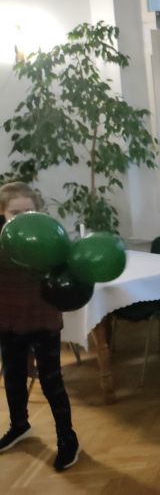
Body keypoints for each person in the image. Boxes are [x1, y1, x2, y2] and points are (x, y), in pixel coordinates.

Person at [0, 181, 80, 471]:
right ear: (3, 212)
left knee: (51, 381)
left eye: (28, 212)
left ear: (38, 211)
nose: (22, 218)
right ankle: (19, 425)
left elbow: (66, 274)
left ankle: (67, 438)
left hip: (43, 319)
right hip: (8, 320)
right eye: (15, 212)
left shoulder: (49, 240)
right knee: (13, 377)